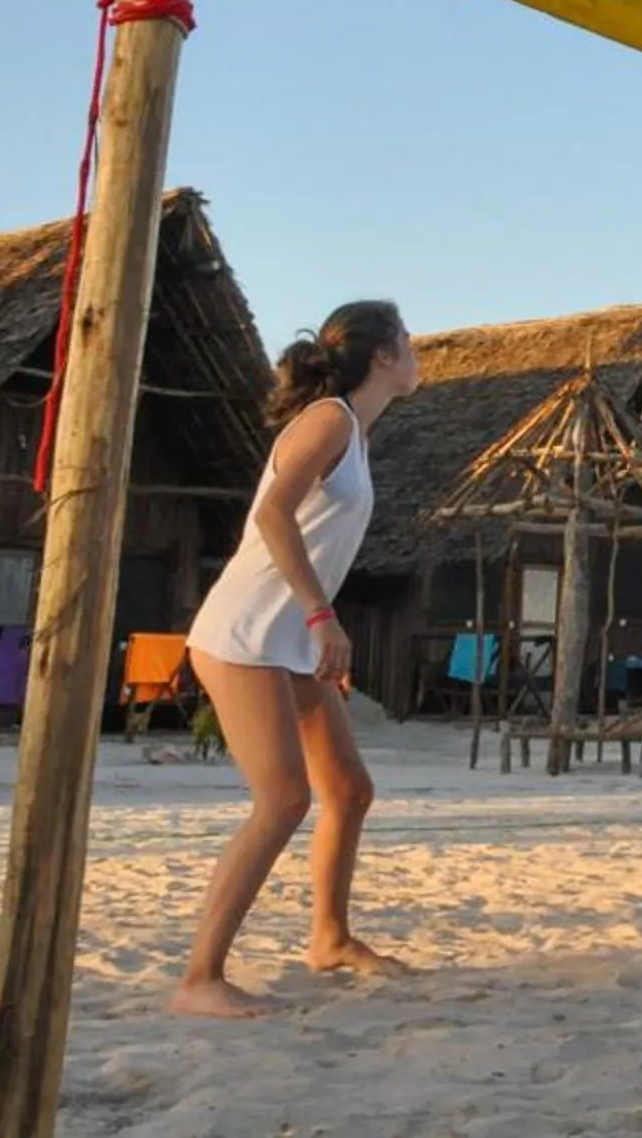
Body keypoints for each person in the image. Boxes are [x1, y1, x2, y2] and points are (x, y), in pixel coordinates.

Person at [174, 302, 419, 1018]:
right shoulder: (330, 420)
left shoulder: (357, 433)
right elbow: (272, 517)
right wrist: (321, 614)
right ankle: (198, 979)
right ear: (381, 356)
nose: (415, 351)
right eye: (406, 340)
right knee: (283, 800)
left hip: (289, 642)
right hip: (245, 632)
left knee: (349, 790)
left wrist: (314, 634)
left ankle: (330, 938)